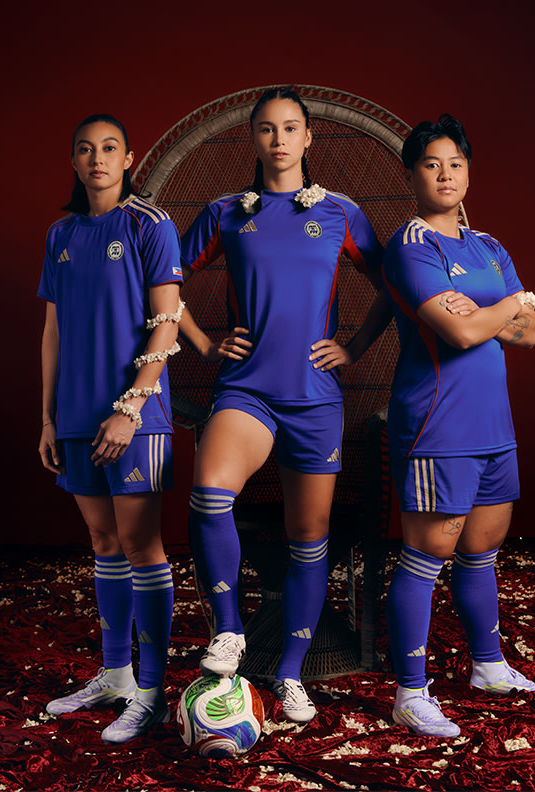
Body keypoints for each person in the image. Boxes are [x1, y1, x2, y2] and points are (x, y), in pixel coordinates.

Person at [177, 86, 391, 722]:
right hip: (247, 390)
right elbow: (161, 279)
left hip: (314, 399)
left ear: (307, 139)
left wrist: (352, 349)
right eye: (266, 130)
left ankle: (292, 675)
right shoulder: (225, 213)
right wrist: (203, 342)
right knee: (210, 492)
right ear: (254, 139)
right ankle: (229, 629)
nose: (278, 140)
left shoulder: (342, 213)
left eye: (290, 128)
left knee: (309, 537)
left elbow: (393, 287)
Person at [382, 113, 535, 738]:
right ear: (412, 174)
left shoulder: (487, 247)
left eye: (455, 162)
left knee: (481, 549)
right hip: (437, 425)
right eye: (432, 164)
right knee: (428, 551)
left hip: (493, 425)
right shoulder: (410, 246)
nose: (446, 173)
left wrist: (493, 313)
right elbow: (460, 333)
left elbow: (529, 337)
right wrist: (509, 303)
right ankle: (410, 692)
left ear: (468, 169)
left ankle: (489, 666)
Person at [38, 113, 185, 744]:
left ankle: (150, 691)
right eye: (84, 150)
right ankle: (118, 674)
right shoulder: (62, 232)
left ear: (128, 159)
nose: (96, 159)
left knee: (139, 543)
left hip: (136, 418)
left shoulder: (149, 225)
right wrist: (47, 416)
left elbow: (168, 322)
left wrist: (130, 407)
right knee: (102, 544)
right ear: (73, 162)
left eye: (109, 149)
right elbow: (53, 332)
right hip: (75, 415)